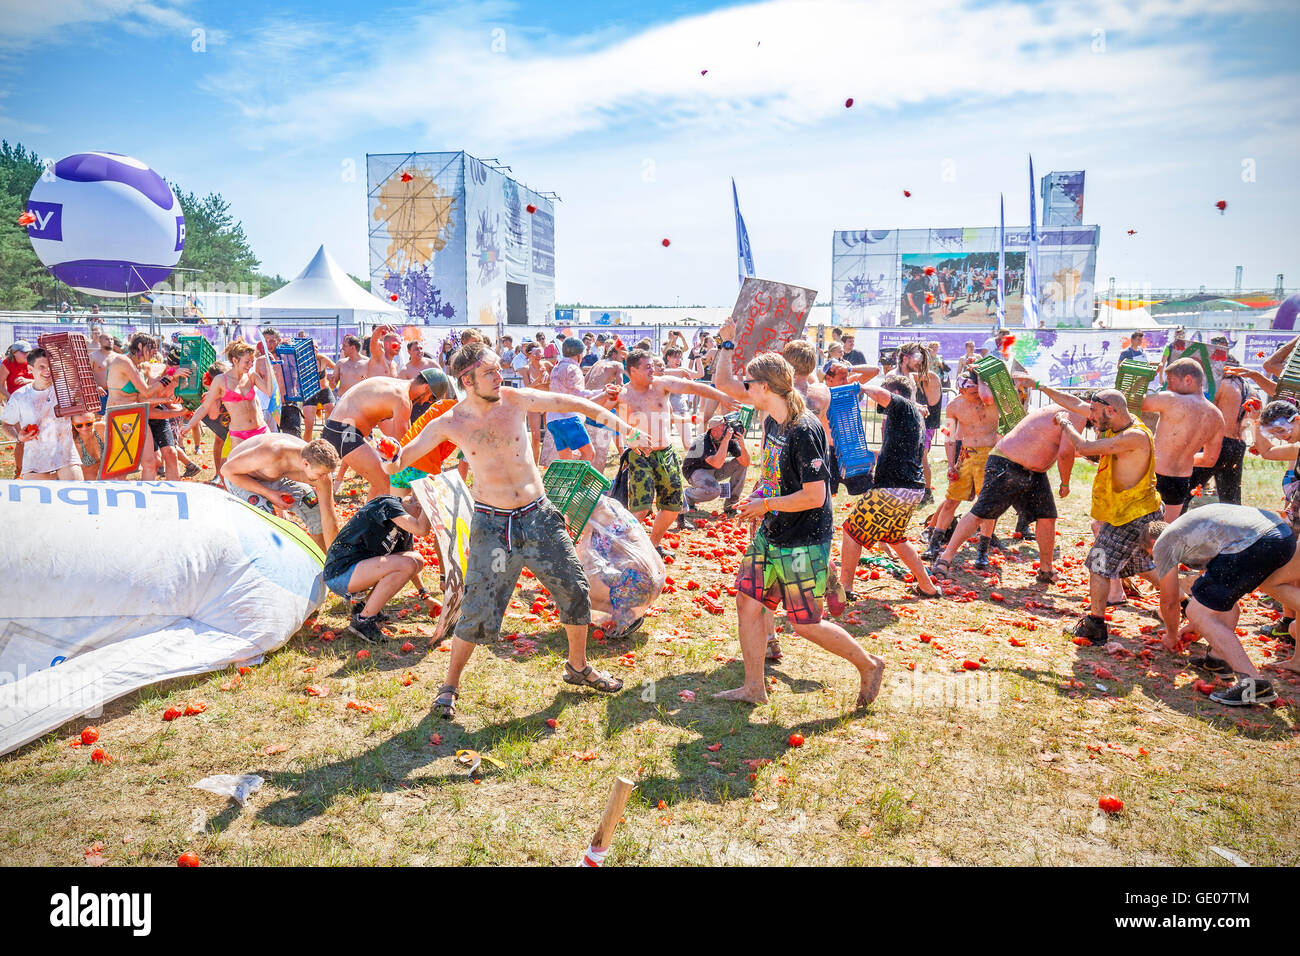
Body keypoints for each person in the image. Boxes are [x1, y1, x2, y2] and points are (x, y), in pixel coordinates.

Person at [386, 343, 653, 717]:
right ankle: (449, 686)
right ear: (467, 380)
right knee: (478, 609)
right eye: (491, 373)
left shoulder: (514, 399)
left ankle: (577, 667)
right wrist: (387, 456)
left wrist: (626, 428)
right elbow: (404, 456)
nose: (500, 377)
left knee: (574, 589)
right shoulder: (450, 422)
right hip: (492, 526)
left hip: (539, 515)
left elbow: (574, 404)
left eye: (499, 370)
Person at [713, 352, 885, 708]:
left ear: (764, 387)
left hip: (803, 539)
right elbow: (774, 475)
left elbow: (814, 495)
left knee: (806, 624)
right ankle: (753, 688)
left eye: (749, 384)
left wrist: (767, 505)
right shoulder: (773, 422)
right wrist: (758, 497)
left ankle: (869, 665)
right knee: (747, 601)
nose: (745, 389)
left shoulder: (804, 430)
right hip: (773, 531)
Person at [1143, 505, 1300, 705]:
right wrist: (1195, 626)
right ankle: (1218, 660)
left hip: (1258, 541)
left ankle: (1254, 684)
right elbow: (1217, 595)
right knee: (1213, 605)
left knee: (1195, 611)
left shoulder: (1163, 544)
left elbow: (1170, 600)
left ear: (1152, 544)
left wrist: (1172, 635)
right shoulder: (1191, 532)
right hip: (1281, 535)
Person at [930, 390, 1082, 585]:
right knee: (979, 512)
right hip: (1005, 462)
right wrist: (1065, 482)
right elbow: (1065, 454)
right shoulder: (1074, 416)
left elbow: (1071, 448)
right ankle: (944, 559)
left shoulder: (1068, 412)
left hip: (1033, 470)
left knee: (1047, 516)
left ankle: (1046, 569)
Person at [1055, 389, 1164, 644]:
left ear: (1111, 411)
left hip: (1130, 515)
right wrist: (1039, 385)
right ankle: (1185, 603)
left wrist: (1065, 423)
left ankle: (1095, 625)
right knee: (1141, 566)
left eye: (1093, 412)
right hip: (1137, 510)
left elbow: (1083, 445)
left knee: (1098, 565)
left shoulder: (1134, 435)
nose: (1090, 416)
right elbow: (1076, 405)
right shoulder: (1119, 426)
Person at [834, 373, 942, 607]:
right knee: (895, 538)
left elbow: (883, 395)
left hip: (892, 488)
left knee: (851, 531)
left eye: (887, 391)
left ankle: (846, 586)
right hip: (911, 489)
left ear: (898, 393)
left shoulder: (903, 405)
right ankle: (927, 586)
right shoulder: (912, 414)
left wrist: (859, 386)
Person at [618, 347, 739, 551]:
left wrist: (721, 396)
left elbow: (692, 387)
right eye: (647, 367)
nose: (652, 370)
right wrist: (633, 439)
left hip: (665, 454)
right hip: (639, 457)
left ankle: (653, 545)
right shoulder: (623, 395)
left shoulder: (661, 384)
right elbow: (621, 425)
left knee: (672, 507)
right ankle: (620, 546)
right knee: (641, 508)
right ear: (633, 370)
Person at [322, 492, 437, 643]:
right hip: (340, 572)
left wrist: (425, 595)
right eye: (423, 514)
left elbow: (411, 565)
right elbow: (422, 530)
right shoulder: (387, 504)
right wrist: (431, 501)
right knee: (408, 563)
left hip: (359, 571)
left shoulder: (403, 526)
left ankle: (363, 607)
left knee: (416, 560)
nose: (419, 520)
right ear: (417, 505)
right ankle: (363, 621)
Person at [320, 370, 444, 501]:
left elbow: (400, 436)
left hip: (340, 428)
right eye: (431, 398)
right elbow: (404, 444)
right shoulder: (403, 400)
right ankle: (368, 520)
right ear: (426, 387)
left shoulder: (396, 386)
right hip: (345, 431)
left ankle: (369, 519)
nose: (426, 402)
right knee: (385, 483)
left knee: (381, 479)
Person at [923, 371, 1001, 566]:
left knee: (986, 506)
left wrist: (983, 378)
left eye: (979, 391)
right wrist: (951, 465)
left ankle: (982, 552)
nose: (977, 397)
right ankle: (934, 545)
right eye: (972, 393)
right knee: (950, 501)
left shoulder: (992, 401)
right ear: (961, 390)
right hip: (966, 456)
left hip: (990, 456)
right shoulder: (954, 406)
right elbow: (949, 437)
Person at [221, 433, 342, 550]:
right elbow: (227, 471)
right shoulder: (271, 452)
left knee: (315, 511)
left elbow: (328, 517)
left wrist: (335, 561)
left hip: (275, 477)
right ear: (306, 464)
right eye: (320, 474)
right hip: (240, 477)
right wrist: (268, 493)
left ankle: (322, 562)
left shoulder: (321, 470)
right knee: (269, 520)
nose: (324, 478)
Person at [1140, 358, 1224, 521]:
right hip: (1181, 480)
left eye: (1171, 381)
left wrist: (1147, 376)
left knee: (1137, 529)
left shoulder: (1171, 399)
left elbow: (1134, 402)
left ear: (1188, 380)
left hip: (1154, 475)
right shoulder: (1217, 416)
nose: (1168, 387)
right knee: (1163, 533)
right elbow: (1209, 460)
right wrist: (1182, 456)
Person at [105, 332, 191, 481]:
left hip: (137, 415)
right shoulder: (123, 361)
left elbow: (142, 398)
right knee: (121, 466)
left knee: (151, 463)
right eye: (152, 348)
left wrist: (168, 400)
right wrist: (170, 376)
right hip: (120, 418)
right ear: (140, 346)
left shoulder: (139, 366)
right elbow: (146, 391)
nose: (155, 352)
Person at [0, 347, 81, 480]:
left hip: (66, 457)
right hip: (35, 460)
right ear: (30, 369)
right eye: (41, 366)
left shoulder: (64, 389)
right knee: (36, 501)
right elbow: (6, 425)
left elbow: (75, 371)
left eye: (50, 366)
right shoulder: (19, 396)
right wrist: (18, 438)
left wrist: (57, 351)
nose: (47, 371)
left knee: (78, 495)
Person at [183, 341, 271, 460]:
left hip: (261, 430)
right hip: (240, 435)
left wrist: (270, 368)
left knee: (270, 468)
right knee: (241, 471)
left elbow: (269, 391)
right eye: (247, 361)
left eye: (252, 361)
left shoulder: (252, 376)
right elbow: (205, 406)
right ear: (235, 360)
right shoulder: (221, 380)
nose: (250, 364)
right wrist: (189, 424)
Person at [546, 337, 618, 463]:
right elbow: (579, 395)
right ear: (579, 354)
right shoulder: (573, 368)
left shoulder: (556, 368)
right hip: (568, 418)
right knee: (589, 454)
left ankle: (566, 482)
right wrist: (602, 392)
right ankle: (579, 483)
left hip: (552, 419)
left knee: (566, 459)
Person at [1197, 365, 1256, 505]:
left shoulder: (1222, 385)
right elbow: (1256, 418)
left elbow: (1204, 411)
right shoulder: (1250, 390)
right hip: (1237, 445)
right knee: (1231, 499)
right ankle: (1235, 526)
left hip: (1217, 442)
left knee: (1185, 491)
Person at [681, 415, 750, 523]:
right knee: (714, 490)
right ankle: (687, 496)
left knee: (740, 464)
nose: (725, 429)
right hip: (695, 471)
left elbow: (746, 462)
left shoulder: (727, 438)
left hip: (713, 470)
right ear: (712, 430)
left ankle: (731, 505)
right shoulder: (702, 441)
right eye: (721, 427)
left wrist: (741, 443)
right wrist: (726, 440)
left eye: (724, 427)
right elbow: (716, 463)